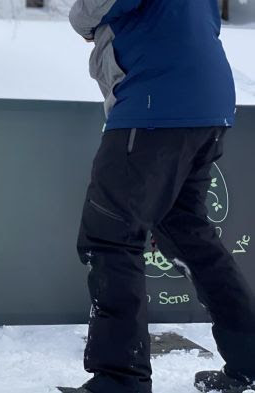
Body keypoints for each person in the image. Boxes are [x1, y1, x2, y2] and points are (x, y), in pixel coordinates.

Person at [65, 0, 255, 392]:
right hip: (207, 104)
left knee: (110, 238)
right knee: (190, 235)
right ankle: (250, 358)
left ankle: (120, 379)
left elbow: (96, 8)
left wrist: (81, 20)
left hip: (155, 104)